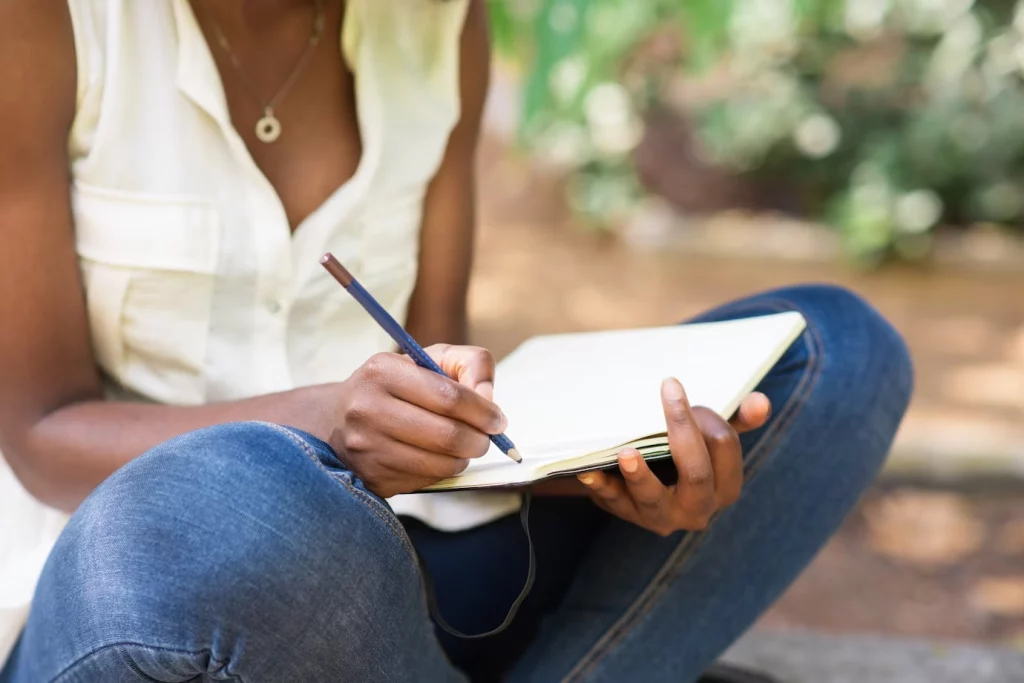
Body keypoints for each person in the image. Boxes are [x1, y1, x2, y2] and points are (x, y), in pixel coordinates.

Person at [0, 1, 913, 681]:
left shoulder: (440, 24)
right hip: (172, 581)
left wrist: (623, 468)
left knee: (839, 352)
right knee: (249, 501)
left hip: (420, 574)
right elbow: (40, 434)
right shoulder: (50, 25)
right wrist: (324, 423)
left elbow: (448, 382)